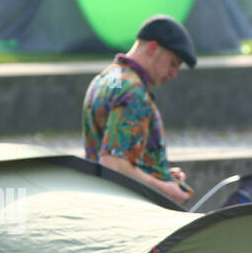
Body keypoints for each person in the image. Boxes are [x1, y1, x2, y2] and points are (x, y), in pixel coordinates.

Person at [82, 15, 196, 206]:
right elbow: (113, 163)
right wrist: (165, 189)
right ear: (153, 48)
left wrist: (157, 171)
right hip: (128, 211)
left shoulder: (107, 78)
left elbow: (114, 151)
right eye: (173, 63)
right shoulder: (133, 92)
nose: (174, 73)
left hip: (100, 202)